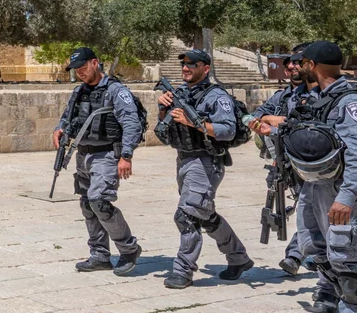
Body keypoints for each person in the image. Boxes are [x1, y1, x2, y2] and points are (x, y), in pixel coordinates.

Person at [287, 41, 357, 313]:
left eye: (301, 62)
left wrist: (347, 196)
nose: (297, 66)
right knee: (313, 247)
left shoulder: (351, 103)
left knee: (343, 254)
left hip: (339, 190)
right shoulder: (320, 98)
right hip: (314, 186)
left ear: (313, 65)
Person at [157, 49, 252, 289]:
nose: (186, 68)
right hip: (184, 160)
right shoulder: (179, 93)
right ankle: (238, 258)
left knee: (187, 216)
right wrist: (162, 108)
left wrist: (195, 123)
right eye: (184, 64)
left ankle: (183, 271)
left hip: (206, 162)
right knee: (205, 216)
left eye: (192, 64)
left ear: (205, 68)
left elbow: (228, 130)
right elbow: (163, 133)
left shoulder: (216, 96)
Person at [53, 47, 143, 276]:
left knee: (99, 201)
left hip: (107, 155)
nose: (80, 73)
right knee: (87, 204)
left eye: (83, 68)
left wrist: (126, 155)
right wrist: (60, 129)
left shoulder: (115, 91)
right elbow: (67, 117)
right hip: (83, 154)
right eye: (76, 70)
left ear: (95, 63)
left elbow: (131, 123)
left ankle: (128, 249)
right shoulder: (78, 92)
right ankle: (100, 255)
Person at [248, 45, 313, 276]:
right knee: (309, 208)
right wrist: (267, 118)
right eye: (289, 65)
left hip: (312, 161)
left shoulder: (318, 93)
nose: (293, 67)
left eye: (297, 62)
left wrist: (280, 121)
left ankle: (296, 254)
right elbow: (252, 116)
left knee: (309, 208)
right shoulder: (281, 96)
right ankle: (311, 251)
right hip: (287, 161)